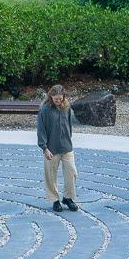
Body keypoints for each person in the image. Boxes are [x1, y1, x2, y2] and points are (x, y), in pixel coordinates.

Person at [37, 83, 78, 213]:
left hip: (66, 146)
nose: (59, 101)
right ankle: (55, 200)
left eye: (61, 99)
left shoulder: (67, 107)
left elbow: (69, 124)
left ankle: (68, 197)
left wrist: (68, 138)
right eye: (56, 99)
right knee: (51, 175)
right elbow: (41, 129)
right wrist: (44, 148)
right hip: (51, 148)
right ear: (51, 97)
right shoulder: (44, 109)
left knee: (71, 171)